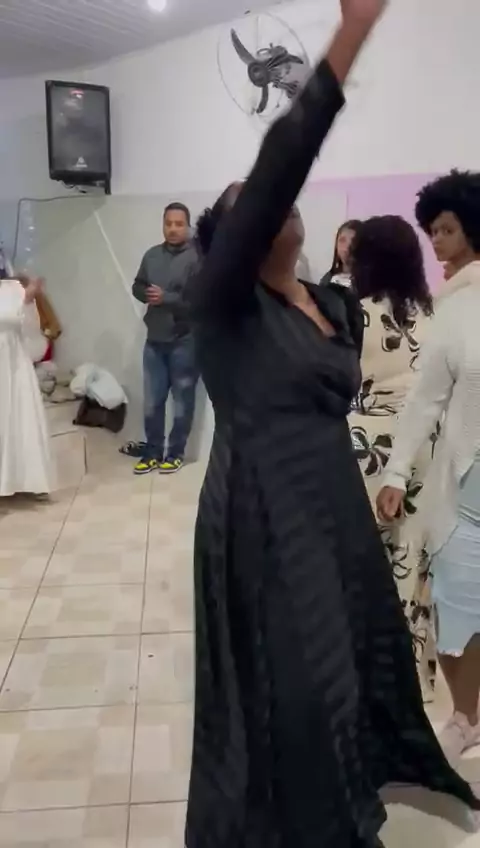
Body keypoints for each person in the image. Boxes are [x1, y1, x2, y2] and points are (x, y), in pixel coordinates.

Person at [186, 5, 478, 848]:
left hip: (334, 504)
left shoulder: (328, 303)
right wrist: (349, 38)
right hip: (264, 511)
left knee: (353, 663)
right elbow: (281, 161)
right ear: (234, 237)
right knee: (297, 685)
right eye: (252, 203)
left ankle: (353, 803)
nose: (275, 204)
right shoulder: (224, 305)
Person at [377, 169, 480, 767]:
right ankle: (466, 717)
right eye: (431, 230)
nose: (436, 241)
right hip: (463, 489)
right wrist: (395, 472)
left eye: (447, 229)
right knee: (457, 605)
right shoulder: (452, 309)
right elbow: (426, 400)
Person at [347, 216, 435, 701]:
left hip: (368, 447)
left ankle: (370, 680)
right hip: (426, 446)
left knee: (368, 565)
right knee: (414, 562)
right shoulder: (433, 312)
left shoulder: (354, 314)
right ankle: (414, 681)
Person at [130, 202, 198, 474]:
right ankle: (152, 452)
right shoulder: (151, 255)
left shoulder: (198, 258)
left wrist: (166, 298)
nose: (172, 229)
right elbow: (137, 285)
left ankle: (176, 453)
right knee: (152, 402)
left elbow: (200, 301)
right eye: (168, 223)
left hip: (185, 342)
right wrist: (144, 294)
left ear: (188, 226)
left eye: (178, 224)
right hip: (154, 342)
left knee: (182, 402)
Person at [0, 274, 52, 496]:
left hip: (14, 361)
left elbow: (30, 330)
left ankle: (24, 481)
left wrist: (29, 300)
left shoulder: (13, 287)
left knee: (18, 415)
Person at [320, 218, 363, 286]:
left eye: (354, 241)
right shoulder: (328, 278)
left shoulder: (367, 282)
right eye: (342, 240)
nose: (346, 248)